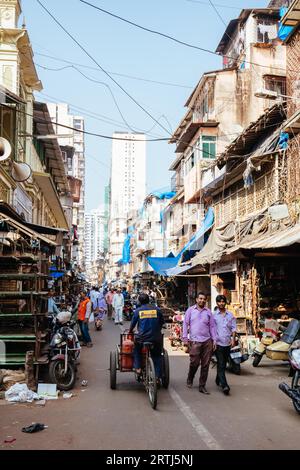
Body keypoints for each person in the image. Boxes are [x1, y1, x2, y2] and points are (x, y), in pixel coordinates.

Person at [182, 292, 216, 394]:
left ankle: (202, 386)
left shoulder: (208, 312)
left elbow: (212, 327)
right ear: (196, 299)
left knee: (205, 365)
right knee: (194, 363)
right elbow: (185, 324)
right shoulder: (190, 310)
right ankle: (190, 377)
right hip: (195, 341)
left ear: (206, 300)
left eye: (204, 299)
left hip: (207, 341)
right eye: (200, 298)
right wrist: (184, 338)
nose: (202, 300)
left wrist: (214, 340)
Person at [129, 293, 164, 379]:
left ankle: (138, 367)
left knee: (136, 349)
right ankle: (157, 376)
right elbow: (162, 323)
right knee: (157, 355)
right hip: (156, 338)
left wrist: (130, 331)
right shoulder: (157, 310)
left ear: (140, 302)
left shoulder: (138, 311)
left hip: (142, 338)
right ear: (149, 300)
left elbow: (133, 324)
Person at [213, 295, 236, 396]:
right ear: (217, 303)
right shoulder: (213, 315)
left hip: (227, 343)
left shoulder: (230, 315)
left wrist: (233, 339)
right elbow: (212, 329)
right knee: (221, 363)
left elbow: (234, 328)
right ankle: (225, 386)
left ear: (225, 303)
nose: (221, 303)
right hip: (218, 343)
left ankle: (218, 379)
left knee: (223, 363)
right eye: (219, 302)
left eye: (223, 301)